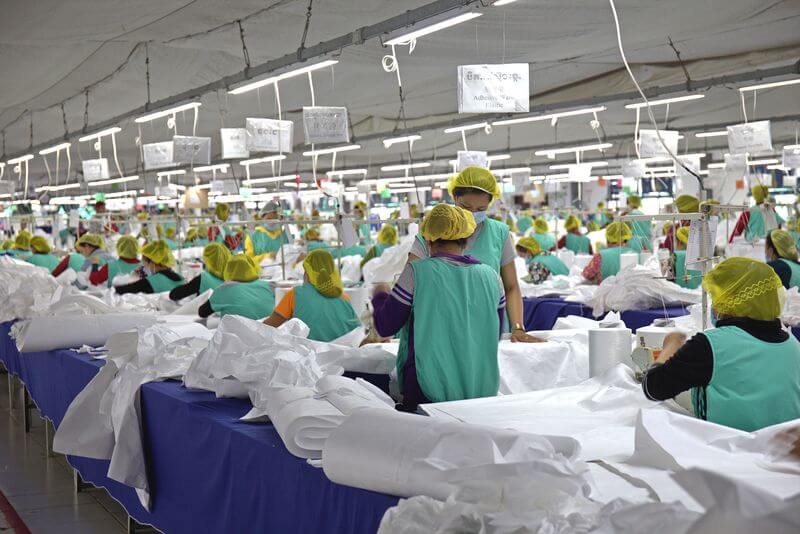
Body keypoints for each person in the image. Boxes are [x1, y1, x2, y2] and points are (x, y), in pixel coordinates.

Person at [372, 204, 506, 410]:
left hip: (426, 389)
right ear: (468, 240)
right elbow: (492, 335)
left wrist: (380, 294)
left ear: (427, 240)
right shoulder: (492, 277)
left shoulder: (416, 273)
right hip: (480, 391)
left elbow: (385, 326)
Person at [642, 257, 800, 432]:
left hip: (727, 450)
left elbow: (653, 387)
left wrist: (670, 345)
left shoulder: (710, 345)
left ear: (729, 302)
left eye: (716, 297)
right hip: (783, 451)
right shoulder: (793, 345)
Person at [408, 167, 537, 343]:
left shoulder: (499, 232)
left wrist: (518, 327)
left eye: (481, 209)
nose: (472, 213)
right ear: (454, 198)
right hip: (442, 329)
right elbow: (409, 284)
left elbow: (511, 287)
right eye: (466, 206)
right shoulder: (432, 231)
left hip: (490, 329)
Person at [264, 249, 359, 341]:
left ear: (307, 272)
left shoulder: (295, 294)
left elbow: (268, 326)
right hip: (338, 353)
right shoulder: (344, 297)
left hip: (308, 355)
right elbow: (356, 332)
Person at [198, 254, 274, 320]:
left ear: (228, 269)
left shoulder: (224, 289)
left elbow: (202, 312)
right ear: (253, 267)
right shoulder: (267, 286)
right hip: (267, 332)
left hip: (238, 334)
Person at [115, 240, 184, 294]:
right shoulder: (180, 278)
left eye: (145, 264)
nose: (144, 267)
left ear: (152, 262)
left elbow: (122, 290)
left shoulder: (151, 282)